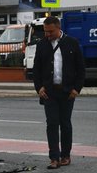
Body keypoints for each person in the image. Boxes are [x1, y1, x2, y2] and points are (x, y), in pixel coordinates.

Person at [33, 16, 85, 169]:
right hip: (49, 92)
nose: (47, 34)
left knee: (65, 124)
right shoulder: (41, 45)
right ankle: (54, 158)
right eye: (45, 31)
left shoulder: (72, 43)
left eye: (50, 31)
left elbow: (81, 69)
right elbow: (36, 70)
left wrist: (77, 89)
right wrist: (39, 87)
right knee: (52, 124)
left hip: (67, 92)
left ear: (58, 28)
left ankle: (65, 155)